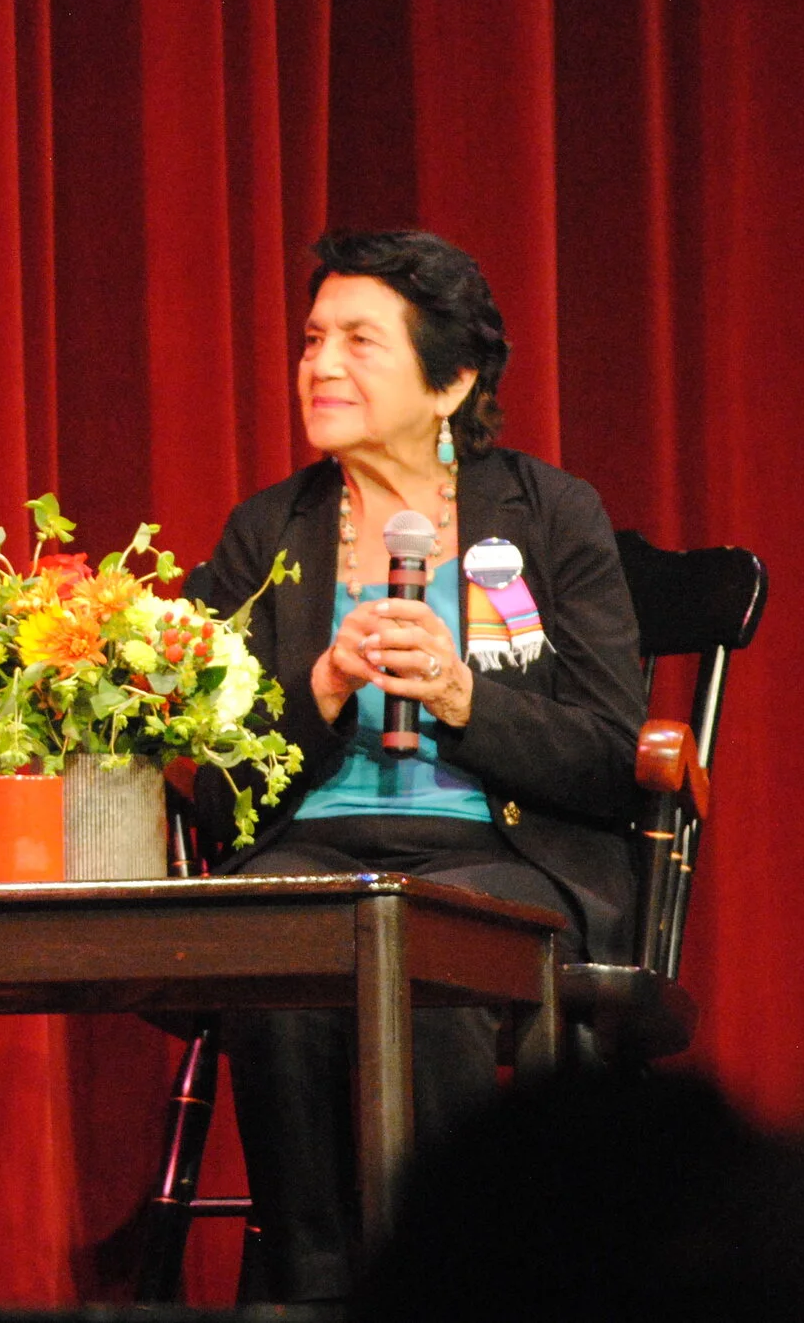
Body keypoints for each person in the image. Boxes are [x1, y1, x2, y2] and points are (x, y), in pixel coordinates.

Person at [182, 230, 645, 1309]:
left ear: (452, 382)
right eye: (312, 341)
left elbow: (607, 760)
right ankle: (313, 1287)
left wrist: (462, 698)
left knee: (424, 955)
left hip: (502, 857)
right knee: (275, 950)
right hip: (308, 850)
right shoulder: (267, 532)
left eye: (359, 341)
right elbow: (218, 796)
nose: (321, 365)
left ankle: (448, 1285)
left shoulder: (548, 517)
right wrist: (321, 690)